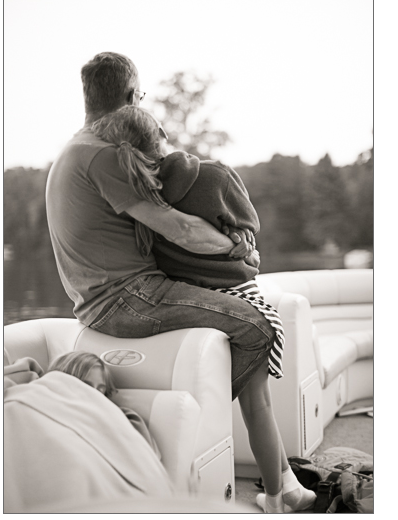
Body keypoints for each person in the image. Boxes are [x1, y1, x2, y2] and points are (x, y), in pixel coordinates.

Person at [45, 52, 311, 513]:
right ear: (131, 96)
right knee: (259, 326)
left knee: (248, 324)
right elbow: (178, 228)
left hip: (105, 298)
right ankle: (245, 456)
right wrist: (239, 250)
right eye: (141, 95)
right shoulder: (107, 155)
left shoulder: (76, 148)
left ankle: (278, 485)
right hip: (126, 298)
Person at [46, 351, 161, 460]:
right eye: (86, 386)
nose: (95, 394)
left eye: (101, 389)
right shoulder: (45, 413)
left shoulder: (120, 418)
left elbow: (147, 460)